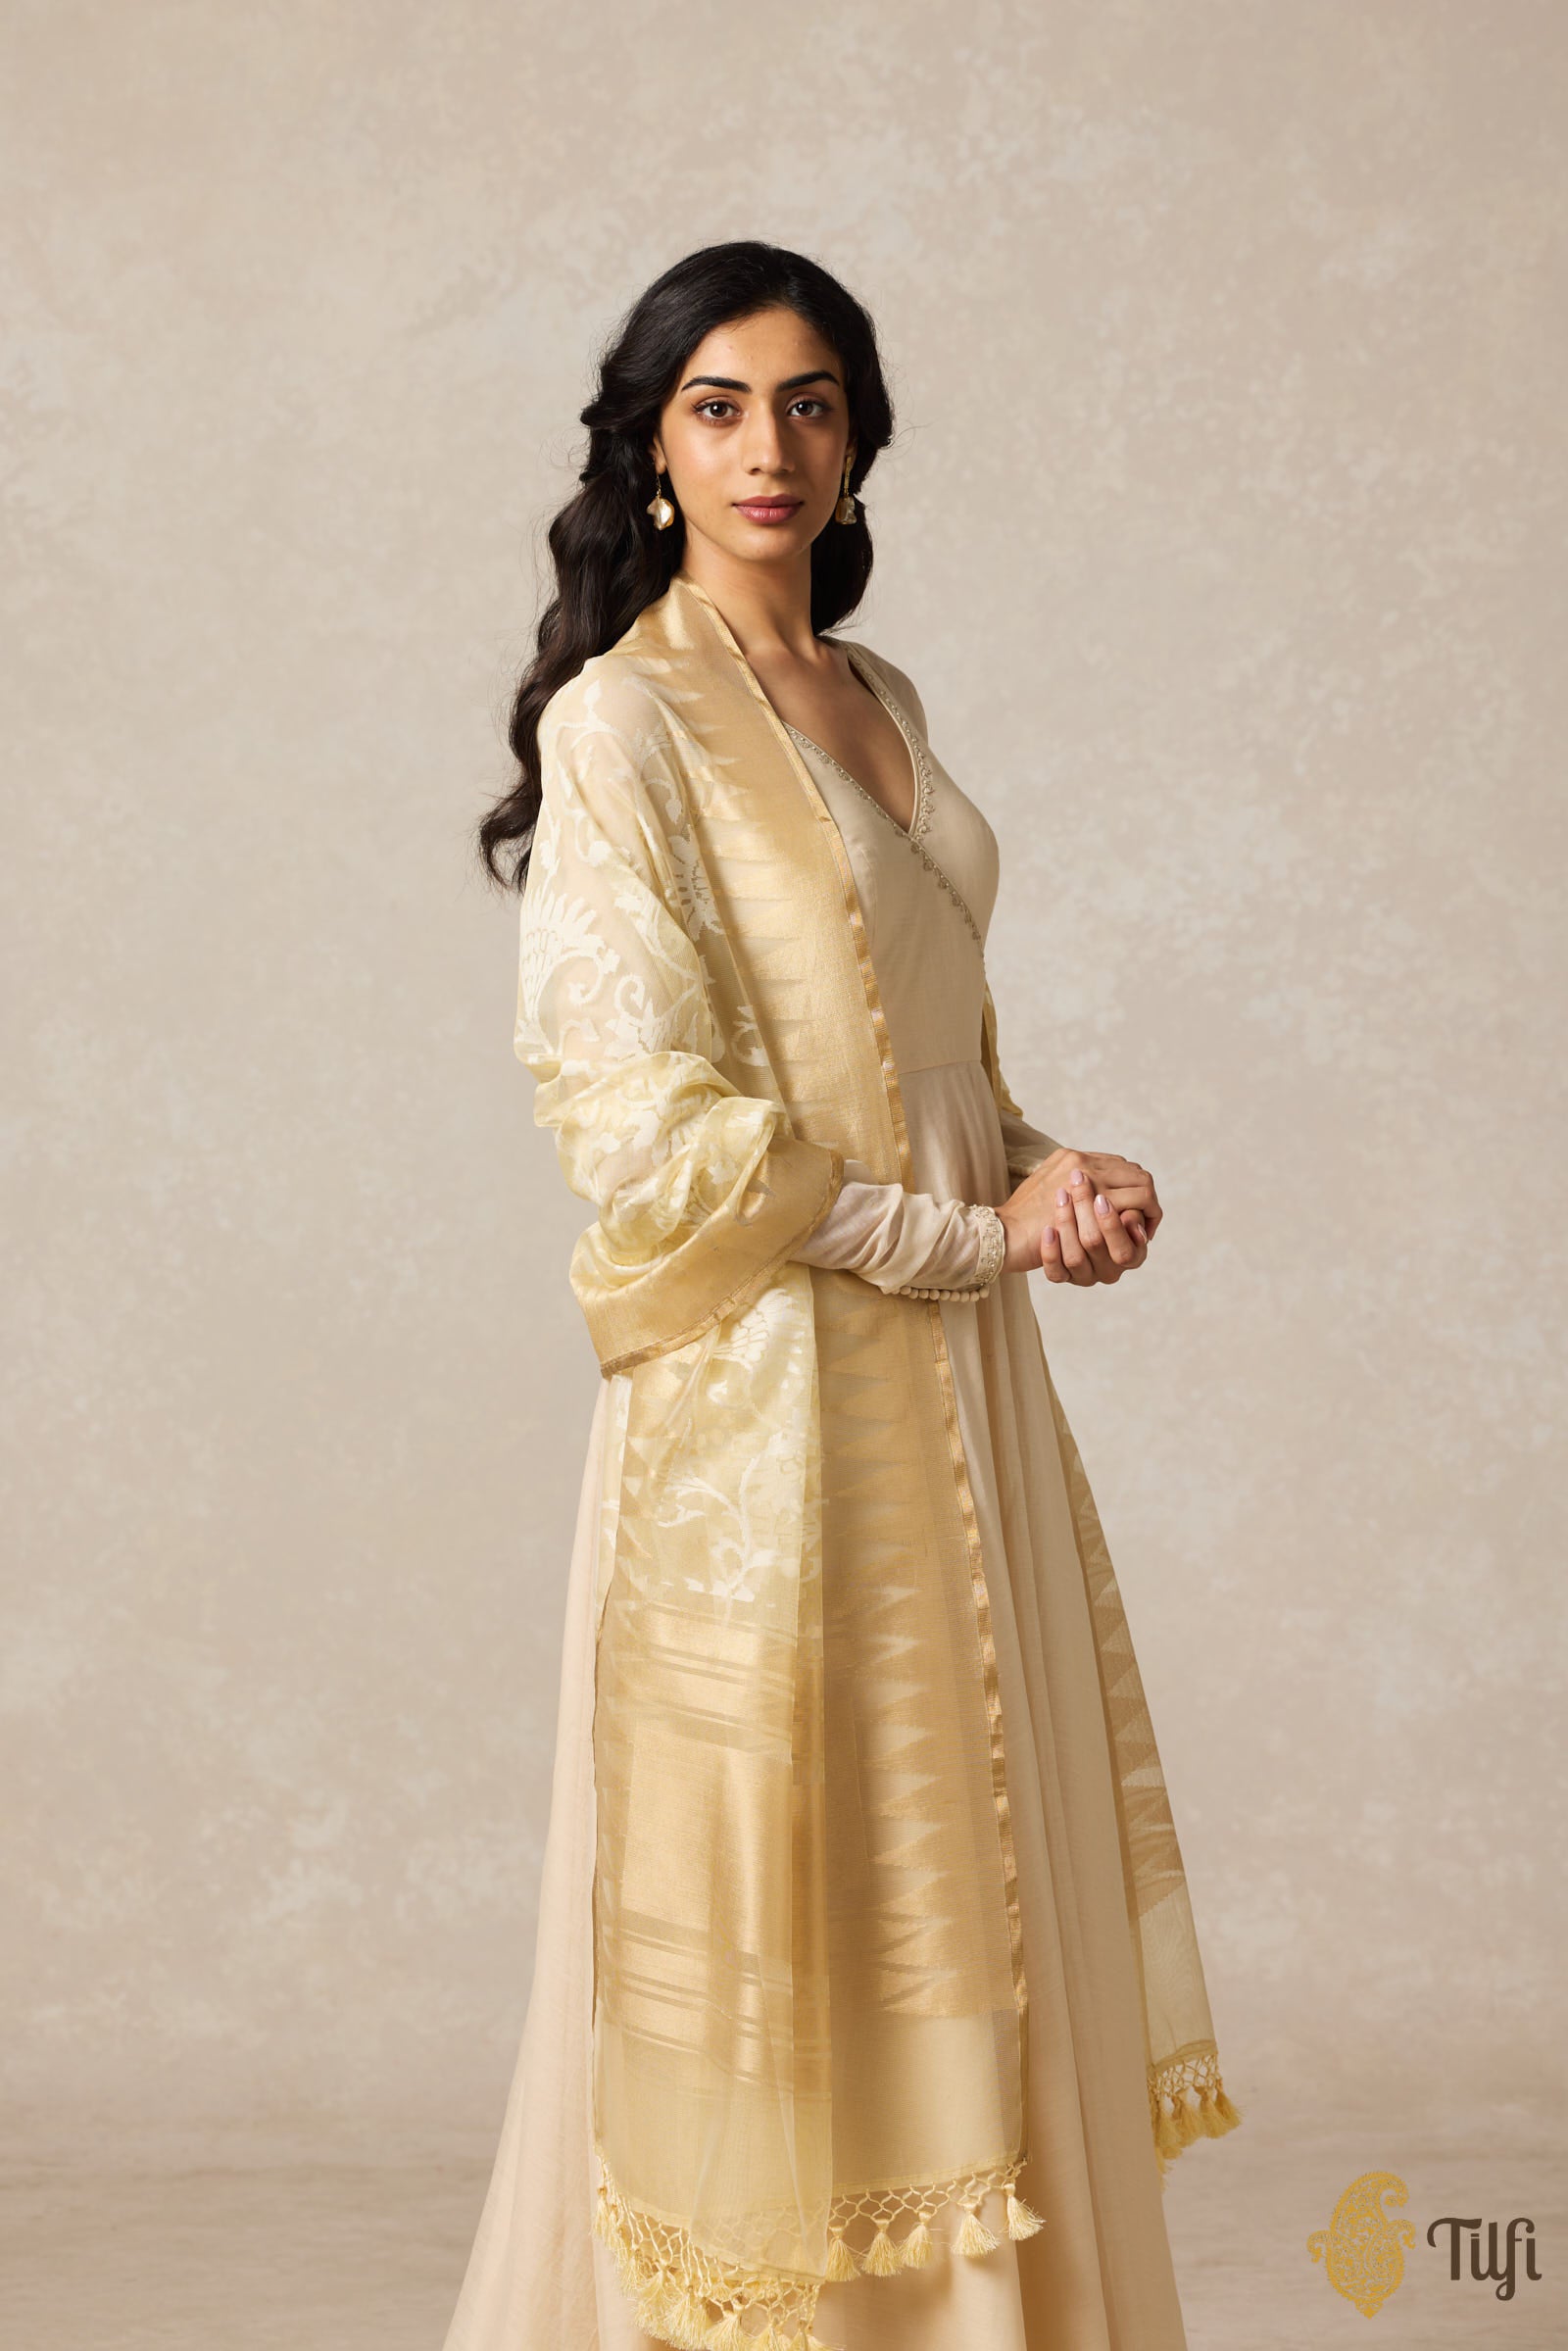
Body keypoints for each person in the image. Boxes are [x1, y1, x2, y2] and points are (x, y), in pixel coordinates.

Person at [443, 239, 1240, 2351]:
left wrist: (1047, 1169)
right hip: (768, 1407)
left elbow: (931, 1058)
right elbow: (646, 1120)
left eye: (808, 402)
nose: (766, 447)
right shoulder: (627, 721)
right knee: (811, 1892)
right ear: (652, 446)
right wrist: (968, 1242)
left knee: (976, 1871)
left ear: (860, 438)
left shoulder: (880, 696)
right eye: (715, 406)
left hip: (964, 1385)